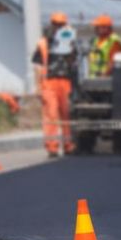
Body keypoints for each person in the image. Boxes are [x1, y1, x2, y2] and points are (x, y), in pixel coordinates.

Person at [32, 11, 79, 157]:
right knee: (51, 115)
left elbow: (73, 62)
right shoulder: (43, 43)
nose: (58, 27)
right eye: (56, 24)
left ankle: (68, 145)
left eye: (61, 25)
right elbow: (38, 66)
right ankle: (52, 147)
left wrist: (70, 44)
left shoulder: (69, 42)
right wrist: (38, 87)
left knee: (67, 114)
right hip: (49, 82)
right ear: (52, 25)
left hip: (66, 81)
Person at [86, 14, 121, 78]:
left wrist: (104, 75)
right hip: (93, 78)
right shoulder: (95, 41)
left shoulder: (114, 41)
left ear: (106, 28)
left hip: (107, 79)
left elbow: (114, 63)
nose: (95, 29)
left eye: (98, 27)